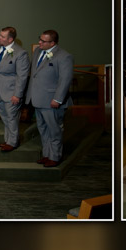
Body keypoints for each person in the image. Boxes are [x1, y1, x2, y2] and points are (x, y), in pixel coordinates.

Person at [28, 30, 73, 167]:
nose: (39, 42)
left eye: (43, 41)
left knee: (54, 130)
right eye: (40, 39)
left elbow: (65, 80)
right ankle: (47, 154)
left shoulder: (64, 56)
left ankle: (55, 157)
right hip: (38, 99)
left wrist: (58, 99)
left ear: (53, 43)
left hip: (52, 101)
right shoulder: (37, 52)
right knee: (43, 129)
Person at [0, 26, 30, 152]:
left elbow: (22, 76)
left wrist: (17, 94)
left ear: (10, 39)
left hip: (11, 92)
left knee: (12, 117)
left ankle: (13, 142)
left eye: (2, 36)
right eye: (0, 35)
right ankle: (8, 140)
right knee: (5, 117)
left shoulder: (20, 53)